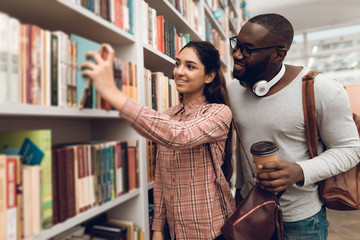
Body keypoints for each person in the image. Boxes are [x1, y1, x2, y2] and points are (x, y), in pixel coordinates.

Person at [81, 41, 235, 240]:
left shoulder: (219, 112)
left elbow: (180, 135)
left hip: (212, 229)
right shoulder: (168, 115)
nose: (179, 71)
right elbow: (162, 175)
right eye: (177, 63)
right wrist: (157, 228)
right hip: (174, 231)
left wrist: (113, 93)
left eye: (190, 66)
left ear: (209, 76)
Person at [228, 13, 360, 239]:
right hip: (249, 212)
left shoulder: (321, 89)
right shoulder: (233, 90)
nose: (236, 54)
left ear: (278, 54)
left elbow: (350, 150)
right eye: (236, 44)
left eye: (248, 49)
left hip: (301, 221)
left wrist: (299, 171)